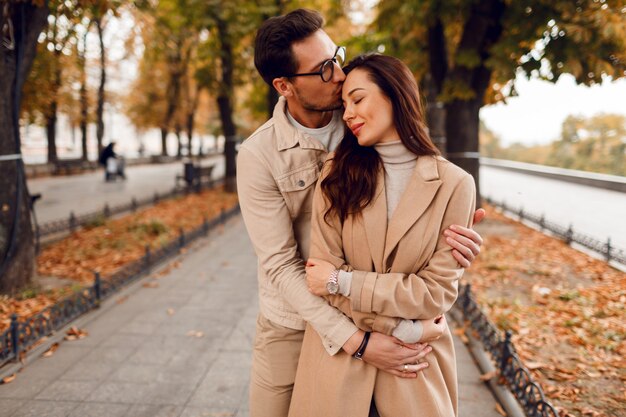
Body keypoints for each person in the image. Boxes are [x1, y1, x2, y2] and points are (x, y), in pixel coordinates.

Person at [236, 9, 484, 417]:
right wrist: (360, 340)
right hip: (295, 323)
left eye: (336, 57)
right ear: (284, 85)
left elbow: (410, 218)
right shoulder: (259, 155)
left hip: (374, 311)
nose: (338, 76)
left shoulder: (364, 125)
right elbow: (282, 264)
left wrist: (452, 243)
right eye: (323, 70)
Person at [288, 53, 475, 417]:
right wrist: (405, 330)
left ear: (396, 94)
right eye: (344, 104)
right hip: (340, 368)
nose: (348, 114)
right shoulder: (335, 173)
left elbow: (434, 293)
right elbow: (318, 279)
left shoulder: (455, 185)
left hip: (414, 373)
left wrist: (343, 281)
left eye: (357, 99)